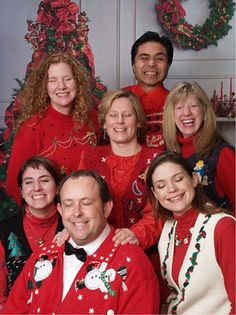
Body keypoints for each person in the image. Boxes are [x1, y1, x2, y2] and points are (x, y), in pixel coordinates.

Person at [3, 169, 160, 314]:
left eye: (86, 203)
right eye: (69, 204)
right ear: (60, 210)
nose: (76, 213)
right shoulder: (42, 256)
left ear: (107, 208)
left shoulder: (133, 263)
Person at [146, 151, 235, 314]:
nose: (171, 189)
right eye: (161, 185)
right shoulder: (168, 228)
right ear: (155, 194)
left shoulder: (223, 227)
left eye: (178, 179)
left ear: (193, 179)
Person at [6, 51, 99, 205]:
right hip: (51, 217)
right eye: (53, 80)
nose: (61, 86)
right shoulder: (31, 128)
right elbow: (14, 184)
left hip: (91, 211)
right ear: (45, 86)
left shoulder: (93, 118)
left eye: (68, 79)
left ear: (77, 82)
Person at [78, 89, 163, 252]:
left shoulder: (157, 159)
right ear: (104, 122)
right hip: (95, 249)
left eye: (127, 115)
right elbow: (78, 202)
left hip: (141, 252)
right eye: (113, 115)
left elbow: (158, 212)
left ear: (138, 121)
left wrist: (135, 234)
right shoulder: (89, 157)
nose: (120, 121)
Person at [0, 156, 64, 312]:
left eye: (44, 180)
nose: (37, 188)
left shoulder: (75, 226)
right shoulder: (3, 231)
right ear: (22, 191)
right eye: (28, 182)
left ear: (57, 188)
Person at [163, 81, 235, 213]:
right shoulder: (167, 153)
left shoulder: (222, 153)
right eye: (179, 108)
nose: (186, 113)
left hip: (216, 230)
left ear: (204, 111)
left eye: (193, 106)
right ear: (171, 114)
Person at [124, 31, 173, 148]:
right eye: (144, 58)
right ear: (133, 66)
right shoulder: (117, 99)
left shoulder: (177, 102)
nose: (151, 63)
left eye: (159, 58)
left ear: (168, 65)